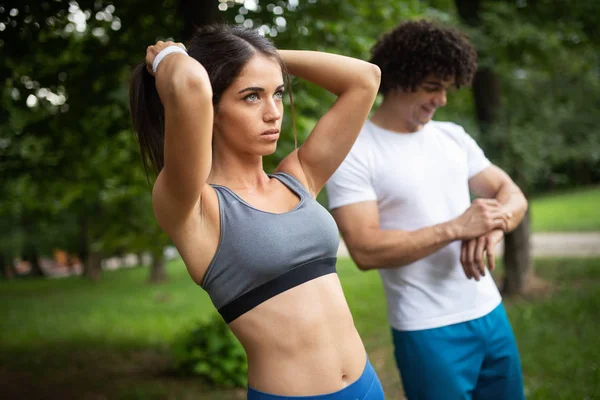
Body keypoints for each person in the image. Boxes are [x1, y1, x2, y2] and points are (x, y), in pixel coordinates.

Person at [129, 24, 383, 399]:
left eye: (277, 94)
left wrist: (263, 60)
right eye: (251, 97)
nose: (273, 113)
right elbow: (190, 85)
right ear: (211, 109)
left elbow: (365, 78)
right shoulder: (192, 206)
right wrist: (169, 57)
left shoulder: (298, 177)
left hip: (367, 386)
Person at [326, 20, 527, 399]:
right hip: (427, 329)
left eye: (446, 89)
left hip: (491, 314)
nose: (442, 99)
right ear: (400, 78)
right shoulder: (354, 151)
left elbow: (511, 193)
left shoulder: (452, 136)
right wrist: (456, 228)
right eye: (432, 87)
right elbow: (366, 250)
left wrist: (491, 228)